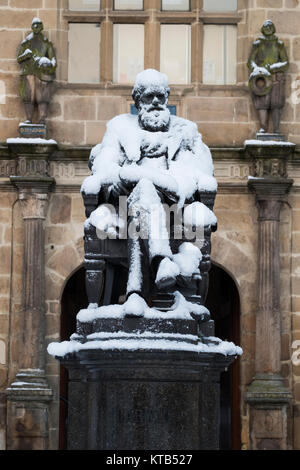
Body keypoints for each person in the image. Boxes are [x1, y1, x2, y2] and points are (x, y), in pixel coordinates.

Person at [82, 69, 217, 313]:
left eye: (160, 97)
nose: (155, 102)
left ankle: (135, 290)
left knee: (144, 192)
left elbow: (200, 172)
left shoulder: (185, 131)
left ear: (167, 98)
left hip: (174, 206)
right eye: (148, 97)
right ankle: (162, 260)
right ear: (137, 101)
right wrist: (126, 179)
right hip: (127, 203)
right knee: (143, 194)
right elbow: (104, 166)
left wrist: (157, 181)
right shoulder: (119, 128)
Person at [247, 20, 289, 134]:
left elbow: (285, 63)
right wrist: (256, 69)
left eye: (270, 26)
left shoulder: (279, 44)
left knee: (276, 104)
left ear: (273, 28)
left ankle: (276, 129)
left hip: (276, 78)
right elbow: (251, 61)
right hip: (261, 78)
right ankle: (263, 128)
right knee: (262, 104)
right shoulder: (258, 44)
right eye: (266, 26)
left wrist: (273, 67)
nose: (268, 28)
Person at [17, 17, 57, 125]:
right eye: (34, 25)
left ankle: (42, 119)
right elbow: (19, 58)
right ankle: (28, 119)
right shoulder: (26, 43)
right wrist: (26, 54)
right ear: (32, 27)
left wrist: (45, 63)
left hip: (42, 74)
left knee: (42, 98)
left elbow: (53, 61)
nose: (36, 27)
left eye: (38, 25)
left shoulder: (46, 43)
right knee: (28, 97)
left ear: (41, 27)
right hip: (29, 72)